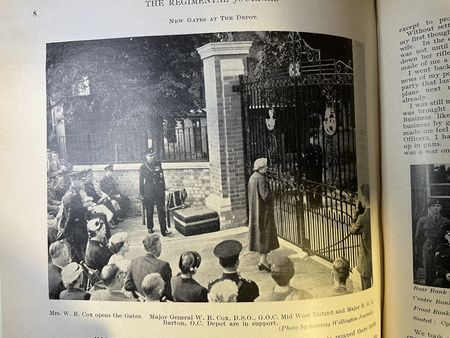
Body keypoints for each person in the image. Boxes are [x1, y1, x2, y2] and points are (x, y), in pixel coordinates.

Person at [248, 158, 279, 272]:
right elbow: (266, 196)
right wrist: (274, 191)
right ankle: (263, 261)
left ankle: (262, 261)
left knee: (260, 236)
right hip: (263, 212)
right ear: (260, 168)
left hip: (256, 211)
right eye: (265, 166)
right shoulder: (261, 179)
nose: (267, 168)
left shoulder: (252, 178)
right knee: (265, 236)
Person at [124, 234, 172, 300]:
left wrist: (140, 292)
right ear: (158, 247)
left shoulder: (134, 262)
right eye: (160, 245)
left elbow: (127, 285)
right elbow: (169, 292)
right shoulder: (163, 266)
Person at [415, 198, 450, 286]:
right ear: (429, 208)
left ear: (440, 208)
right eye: (433, 206)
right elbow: (418, 238)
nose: (435, 208)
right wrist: (420, 253)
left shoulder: (446, 221)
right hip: (428, 248)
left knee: (442, 271)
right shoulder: (422, 220)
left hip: (442, 248)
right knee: (429, 272)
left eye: (438, 206)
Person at [139, 148, 171, 236]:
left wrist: (163, 189)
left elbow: (162, 176)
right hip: (148, 192)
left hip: (159, 191)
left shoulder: (158, 164)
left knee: (161, 211)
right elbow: (141, 182)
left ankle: (164, 230)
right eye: (150, 156)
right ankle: (150, 227)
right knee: (150, 211)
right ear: (146, 156)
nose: (151, 157)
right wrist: (141, 194)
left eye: (153, 155)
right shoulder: (143, 167)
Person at [58, 171, 89, 263]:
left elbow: (66, 213)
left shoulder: (68, 193)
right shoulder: (74, 196)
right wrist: (65, 231)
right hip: (77, 231)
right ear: (75, 181)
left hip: (73, 231)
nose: (82, 183)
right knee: (81, 258)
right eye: (81, 181)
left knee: (75, 257)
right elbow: (71, 217)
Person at [350, 183, 372, 290]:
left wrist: (355, 216)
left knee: (366, 288)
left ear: (364, 197)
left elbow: (353, 230)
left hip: (367, 260)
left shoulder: (362, 218)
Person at [303, 132, 323, 208]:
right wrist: (306, 171)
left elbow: (320, 159)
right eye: (313, 138)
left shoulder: (319, 148)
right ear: (310, 139)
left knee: (319, 186)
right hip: (310, 171)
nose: (315, 140)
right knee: (310, 186)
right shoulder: (308, 149)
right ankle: (312, 202)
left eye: (316, 138)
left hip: (318, 170)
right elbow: (306, 161)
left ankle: (318, 202)